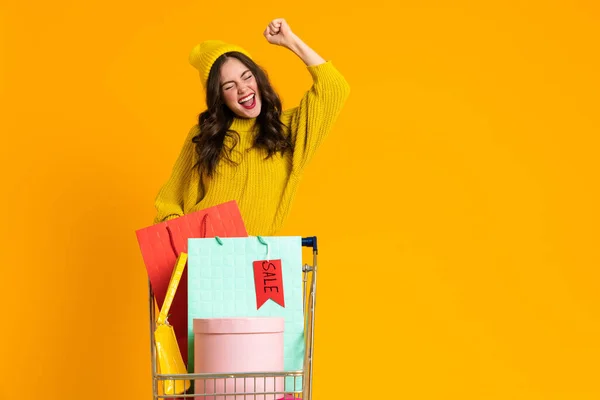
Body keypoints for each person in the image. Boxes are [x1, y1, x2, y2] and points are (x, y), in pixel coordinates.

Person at [153, 18, 350, 235]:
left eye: (247, 77)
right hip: (206, 258)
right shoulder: (204, 136)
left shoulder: (287, 129)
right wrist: (177, 231)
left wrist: (291, 41)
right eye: (229, 86)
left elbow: (334, 87)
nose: (243, 89)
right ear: (219, 97)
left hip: (259, 258)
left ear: (257, 78)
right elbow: (169, 200)